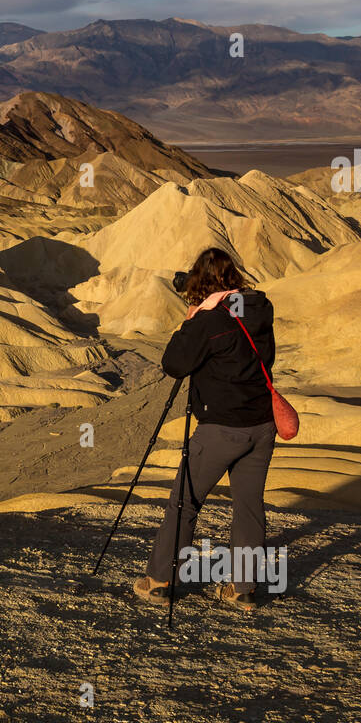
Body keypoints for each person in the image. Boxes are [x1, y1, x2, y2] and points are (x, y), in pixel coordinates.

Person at [133, 247, 277, 611]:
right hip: (261, 425)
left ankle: (160, 580)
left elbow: (174, 364)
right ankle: (242, 589)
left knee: (184, 501)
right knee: (248, 505)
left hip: (222, 428)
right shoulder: (258, 309)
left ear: (202, 284)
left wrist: (192, 320)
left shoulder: (210, 322)